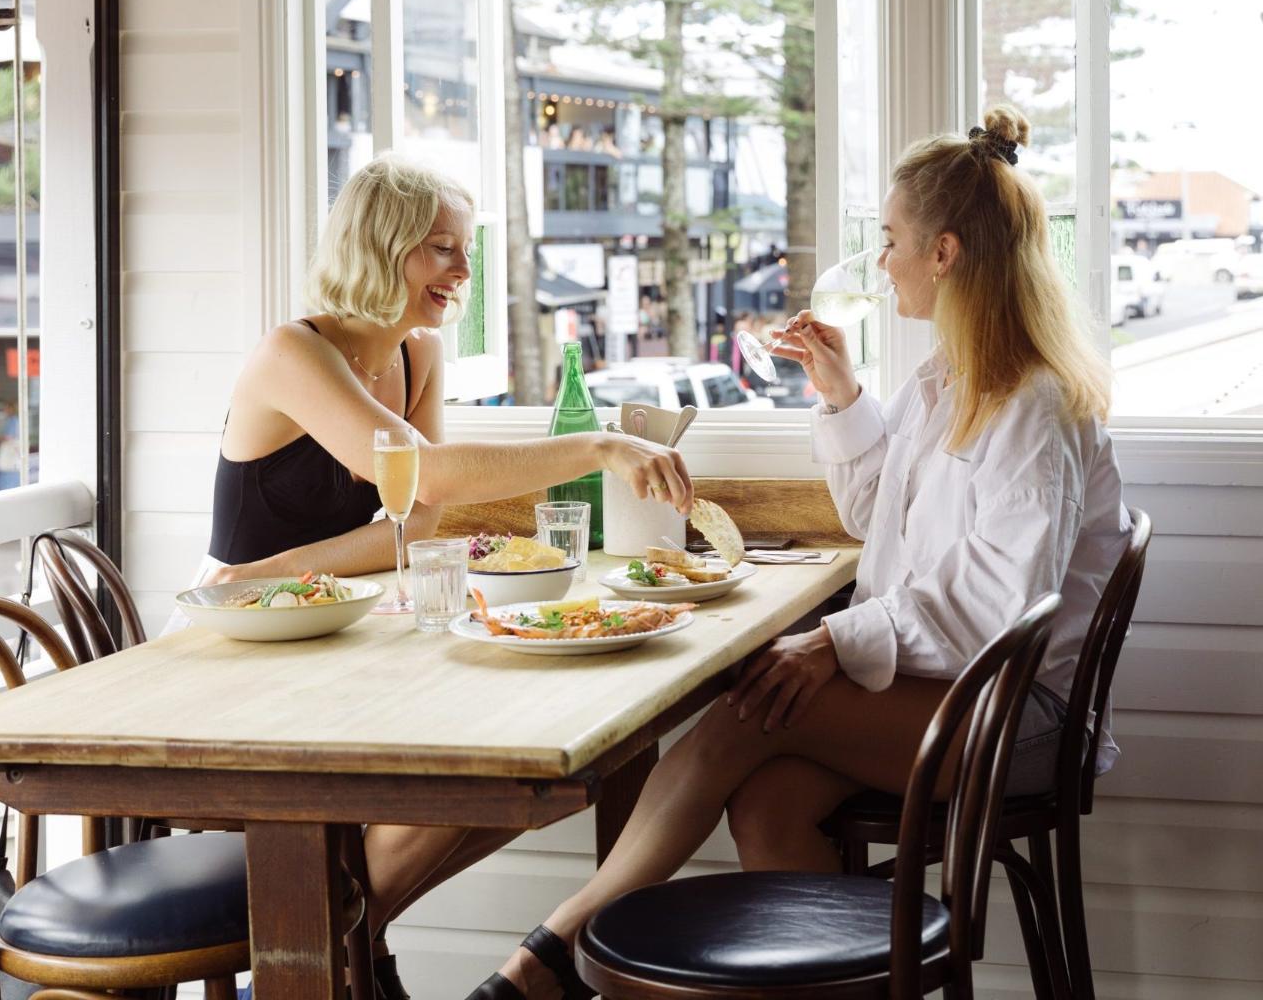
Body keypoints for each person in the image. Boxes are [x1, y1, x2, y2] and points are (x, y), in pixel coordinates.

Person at [467, 105, 1131, 1000]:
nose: (880, 261)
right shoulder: (945, 379)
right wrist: (841, 393)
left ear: (943, 252)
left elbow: (1000, 608)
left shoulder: (1030, 405)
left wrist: (832, 642)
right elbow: (871, 516)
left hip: (1019, 717)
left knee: (748, 708)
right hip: (957, 692)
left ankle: (548, 957)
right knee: (768, 798)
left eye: (890, 239)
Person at [195, 155, 692, 999]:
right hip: (237, 645)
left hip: (331, 625)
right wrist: (599, 445)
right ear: (379, 248)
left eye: (464, 249)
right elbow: (426, 476)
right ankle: (327, 959)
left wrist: (284, 571)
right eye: (440, 248)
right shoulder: (292, 352)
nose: (463, 270)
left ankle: (342, 947)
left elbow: (415, 519)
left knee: (526, 770)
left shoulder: (417, 352)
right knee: (484, 765)